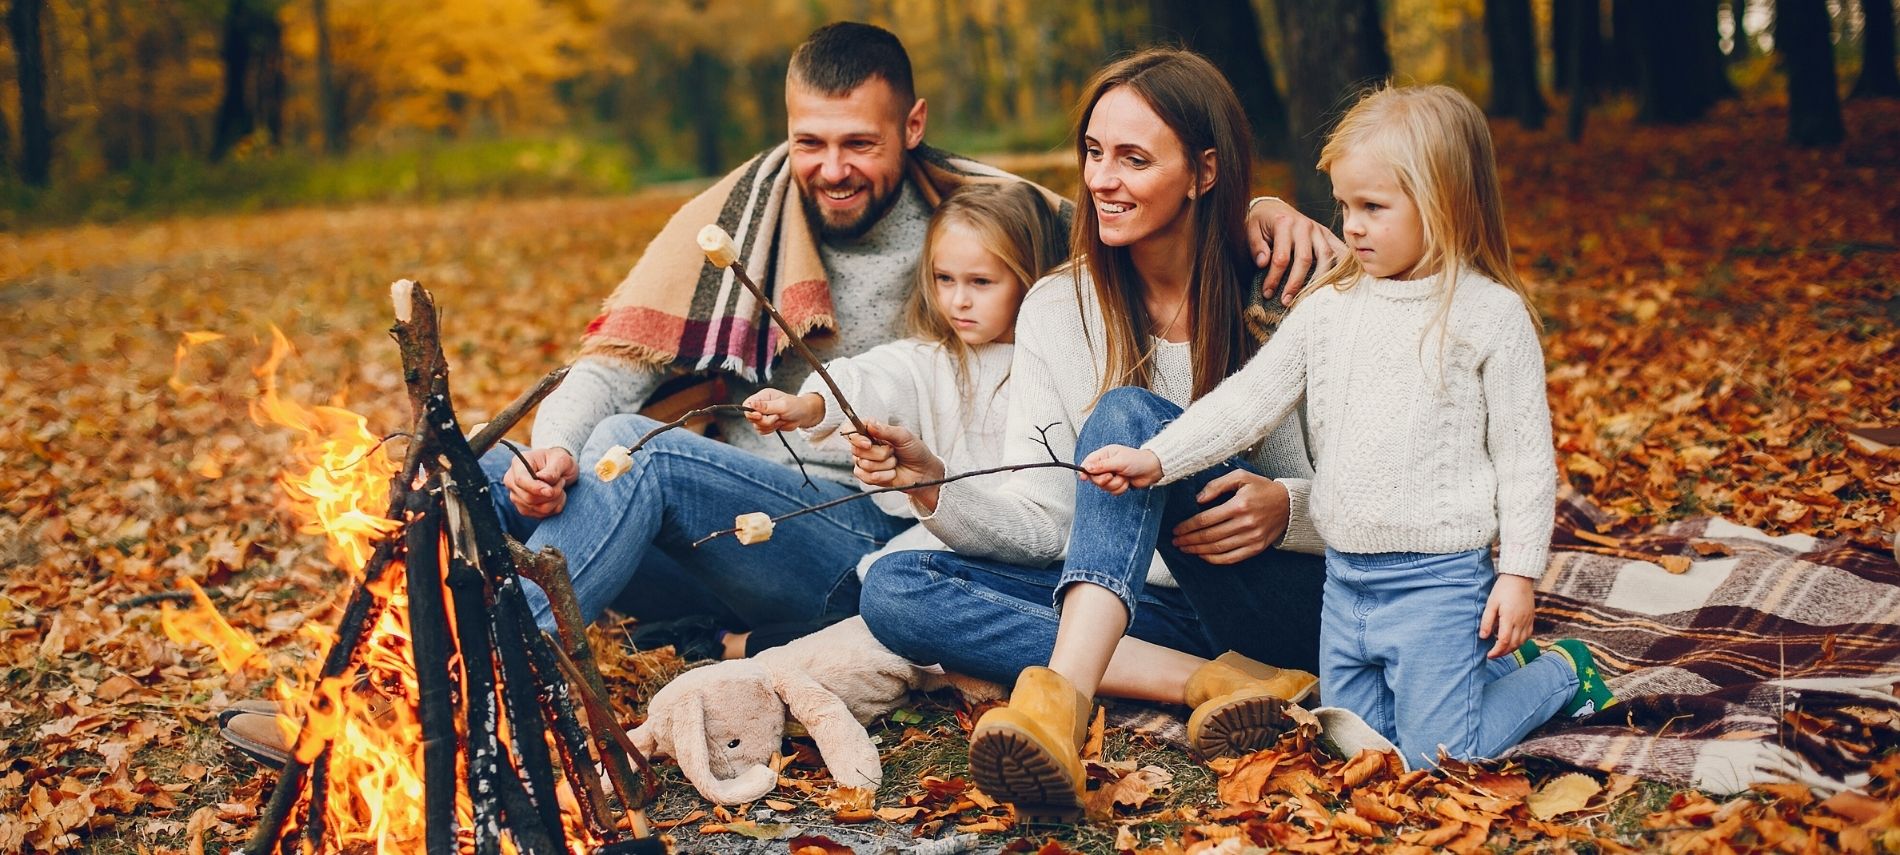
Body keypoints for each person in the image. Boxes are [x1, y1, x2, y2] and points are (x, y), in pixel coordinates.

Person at [489, 24, 1342, 654]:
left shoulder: (991, 216)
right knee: (492, 468)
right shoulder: (734, 219)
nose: (831, 168)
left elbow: (1136, 220)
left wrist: (1256, 216)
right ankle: (444, 666)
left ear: (914, 125)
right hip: (760, 525)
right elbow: (610, 369)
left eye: (859, 142)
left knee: (639, 453)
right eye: (809, 143)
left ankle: (507, 672)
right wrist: (548, 452)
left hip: (864, 521)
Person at [849, 49, 1336, 821]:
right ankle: (1213, 682)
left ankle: (1062, 702)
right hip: (1140, 607)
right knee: (897, 586)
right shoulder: (1056, 308)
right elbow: (1049, 519)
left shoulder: (1283, 285)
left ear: (1204, 172)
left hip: (1275, 592)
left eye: (1134, 159)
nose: (1101, 180)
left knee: (1126, 416)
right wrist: (933, 486)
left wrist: (1289, 506)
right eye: (1094, 152)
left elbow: (1382, 488)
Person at [1082, 85, 1616, 770]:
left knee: (1439, 755)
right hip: (1347, 582)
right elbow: (1247, 400)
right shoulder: (1332, 306)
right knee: (1350, 745)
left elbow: (1525, 462)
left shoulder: (1488, 316)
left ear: (1443, 204)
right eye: (1343, 205)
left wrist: (1518, 574)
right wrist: (1156, 460)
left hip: (1438, 582)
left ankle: (1562, 672)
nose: (1351, 226)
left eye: (1373, 208)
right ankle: (1473, 683)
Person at [744, 182, 1067, 621]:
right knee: (881, 584)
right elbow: (875, 377)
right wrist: (811, 406)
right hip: (936, 549)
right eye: (944, 279)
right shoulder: (932, 360)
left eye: (981, 282)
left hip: (1032, 561)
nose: (959, 300)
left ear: (1030, 276)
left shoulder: (1058, 366)